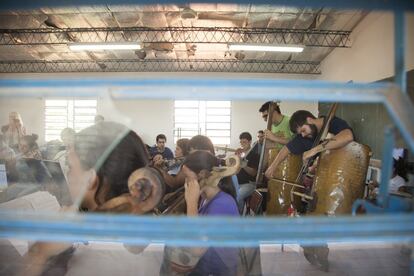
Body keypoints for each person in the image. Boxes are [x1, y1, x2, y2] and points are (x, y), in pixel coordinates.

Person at [13, 122, 164, 276]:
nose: (68, 176)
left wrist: (39, 252)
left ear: (91, 179)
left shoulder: (97, 258)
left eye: (70, 168)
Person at [161, 150, 239, 275]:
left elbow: (197, 249)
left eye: (187, 176)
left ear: (203, 175)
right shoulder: (205, 198)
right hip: (204, 265)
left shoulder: (223, 204)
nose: (185, 181)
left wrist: (191, 203)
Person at [265, 110, 354, 179]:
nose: (303, 135)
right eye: (301, 133)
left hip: (345, 175)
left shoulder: (331, 121)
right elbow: (287, 148)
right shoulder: (306, 135)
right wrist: (272, 167)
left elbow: (348, 136)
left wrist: (314, 150)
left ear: (309, 119)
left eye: (303, 130)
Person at [234, 132, 260, 212]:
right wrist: (235, 158)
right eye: (241, 142)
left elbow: (253, 173)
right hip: (237, 183)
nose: (242, 144)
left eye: (244, 142)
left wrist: (243, 165)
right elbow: (234, 170)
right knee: (229, 195)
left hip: (249, 184)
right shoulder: (240, 154)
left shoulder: (254, 155)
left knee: (238, 196)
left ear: (250, 142)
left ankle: (238, 218)